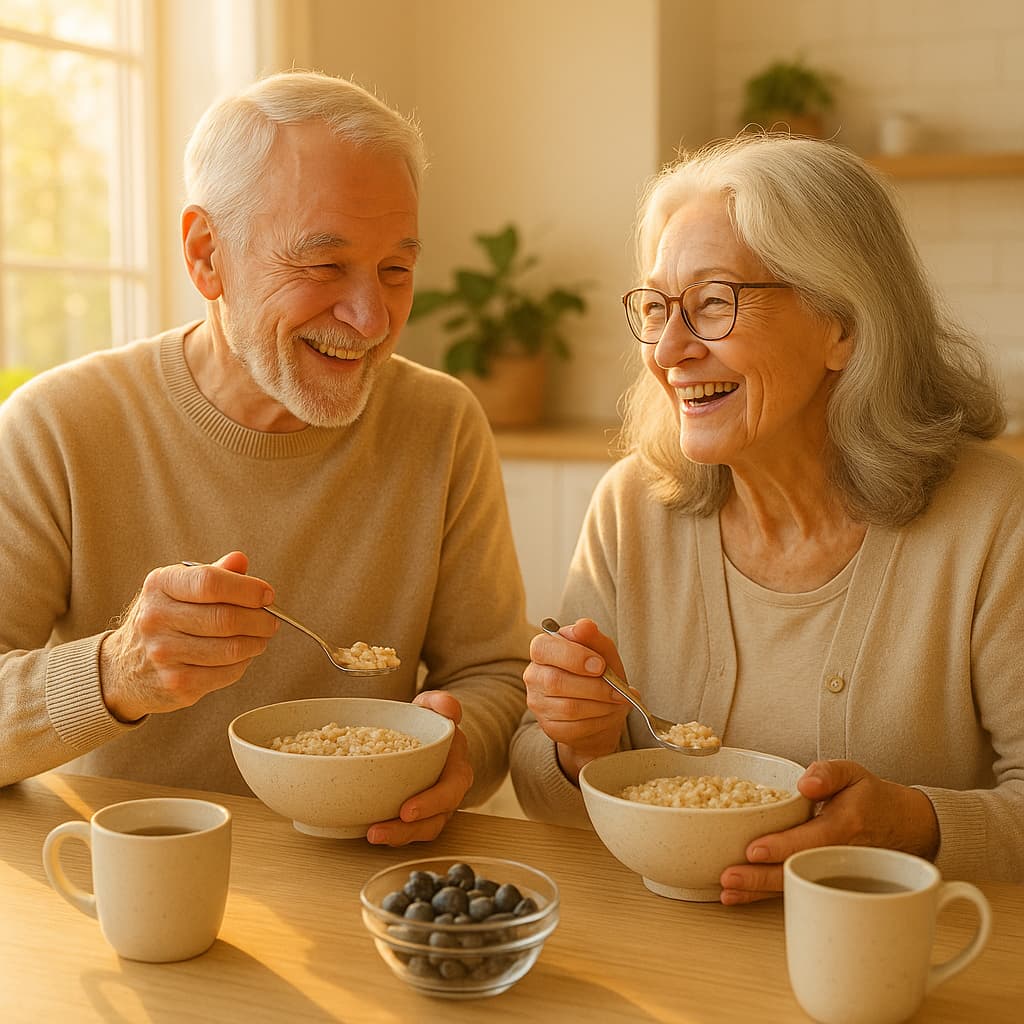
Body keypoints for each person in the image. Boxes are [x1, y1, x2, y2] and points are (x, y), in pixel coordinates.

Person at [0, 71, 532, 845]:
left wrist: (458, 749)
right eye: (323, 265)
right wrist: (119, 673)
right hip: (126, 877)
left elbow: (495, 676)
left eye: (396, 269)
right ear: (207, 255)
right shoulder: (57, 427)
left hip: (364, 872)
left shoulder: (440, 424)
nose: (371, 319)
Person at [509, 133, 1024, 896]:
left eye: (714, 303)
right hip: (663, 951)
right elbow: (536, 784)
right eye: (657, 307)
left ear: (843, 325)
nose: (669, 351)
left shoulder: (993, 522)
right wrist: (580, 746)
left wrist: (912, 826)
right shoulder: (631, 508)